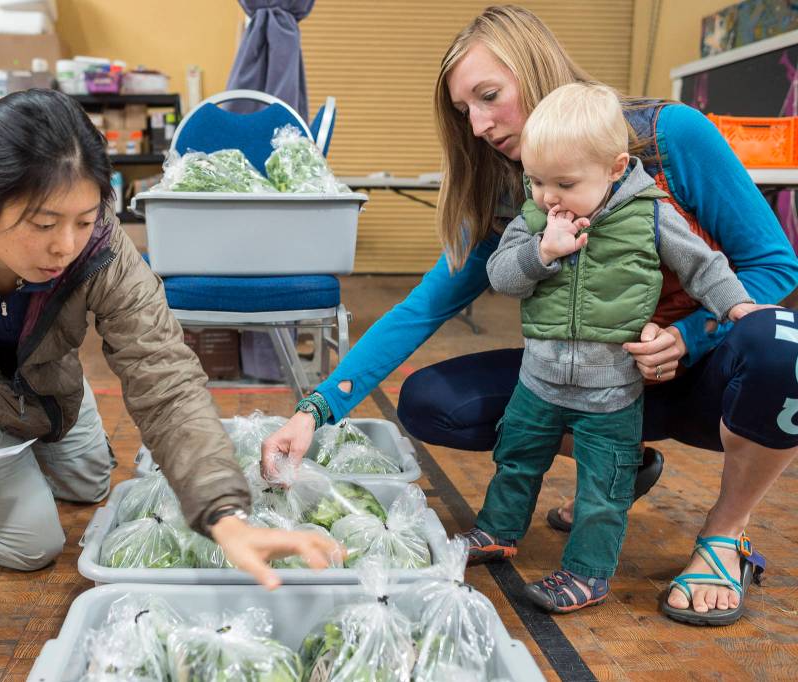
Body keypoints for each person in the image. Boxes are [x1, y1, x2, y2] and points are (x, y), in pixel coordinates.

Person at [262, 5, 798, 624]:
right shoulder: (515, 191)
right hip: (588, 380)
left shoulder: (667, 136)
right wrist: (314, 410)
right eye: (465, 111)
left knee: (782, 348)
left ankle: (724, 535)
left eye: (489, 96)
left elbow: (773, 265)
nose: (479, 125)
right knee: (432, 400)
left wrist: (688, 335)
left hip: (703, 382)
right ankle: (621, 463)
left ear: (536, 68)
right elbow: (420, 310)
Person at [0, 88, 339, 589]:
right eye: (44, 223)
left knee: (90, 482)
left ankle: (5, 460)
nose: (66, 246)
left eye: (83, 220)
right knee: (29, 543)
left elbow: (163, 372)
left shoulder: (101, 247)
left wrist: (225, 516)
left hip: (44, 383)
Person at [465, 81, 763, 614]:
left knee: (603, 487)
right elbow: (502, 276)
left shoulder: (650, 214)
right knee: (515, 460)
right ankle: (497, 530)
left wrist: (736, 306)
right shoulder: (534, 220)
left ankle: (587, 573)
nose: (548, 196)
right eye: (536, 180)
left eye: (565, 183)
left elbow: (704, 267)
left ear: (615, 168)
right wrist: (540, 253)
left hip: (612, 390)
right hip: (538, 381)